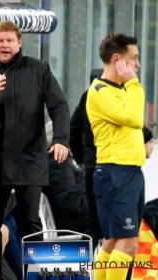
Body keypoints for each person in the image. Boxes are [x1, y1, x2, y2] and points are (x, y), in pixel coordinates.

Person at [0, 20, 70, 277]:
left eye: (9, 40)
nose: (4, 45)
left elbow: (59, 106)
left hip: (28, 158)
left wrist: (61, 139)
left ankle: (37, 272)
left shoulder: (39, 69)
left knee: (29, 220)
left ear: (20, 43)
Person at [86, 33, 144, 280]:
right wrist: (133, 82)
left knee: (112, 242)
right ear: (117, 59)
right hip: (116, 173)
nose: (138, 65)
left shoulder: (119, 90)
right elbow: (135, 118)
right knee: (128, 244)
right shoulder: (100, 91)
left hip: (127, 173)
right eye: (135, 59)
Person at [69, 69, 104, 250]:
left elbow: (73, 130)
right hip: (114, 162)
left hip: (92, 162)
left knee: (93, 217)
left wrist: (80, 157)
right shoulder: (115, 97)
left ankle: (88, 264)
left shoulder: (86, 98)